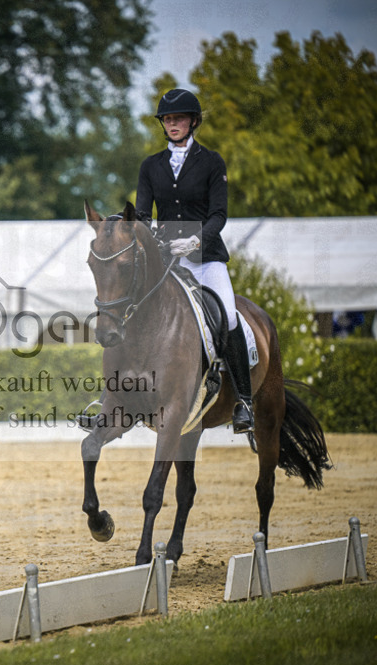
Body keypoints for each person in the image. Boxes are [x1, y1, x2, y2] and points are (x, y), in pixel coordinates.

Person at [135, 88, 253, 433]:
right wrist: (147, 236)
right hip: (168, 261)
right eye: (168, 119)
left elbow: (219, 215)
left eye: (179, 118)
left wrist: (196, 239)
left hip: (205, 259)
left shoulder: (212, 162)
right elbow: (142, 214)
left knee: (228, 315)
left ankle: (244, 402)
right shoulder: (151, 166)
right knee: (136, 310)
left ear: (193, 122)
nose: (173, 124)